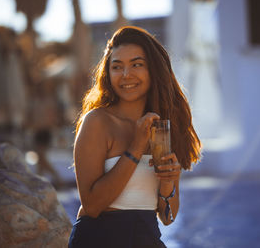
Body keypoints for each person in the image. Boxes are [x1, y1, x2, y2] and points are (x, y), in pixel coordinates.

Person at [68, 26, 201, 248]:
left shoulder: (163, 127)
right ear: (108, 74)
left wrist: (168, 182)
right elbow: (91, 206)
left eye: (136, 65)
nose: (126, 74)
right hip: (99, 240)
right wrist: (136, 147)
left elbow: (168, 218)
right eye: (117, 67)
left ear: (153, 70)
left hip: (146, 238)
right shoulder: (97, 122)